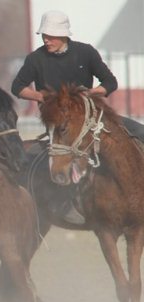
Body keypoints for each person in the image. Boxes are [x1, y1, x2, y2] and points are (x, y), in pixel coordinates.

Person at [11, 10, 144, 224]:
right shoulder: (36, 59)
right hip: (59, 125)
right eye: (44, 35)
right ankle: (65, 203)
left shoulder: (86, 53)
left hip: (92, 117)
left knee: (140, 132)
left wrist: (93, 93)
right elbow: (17, 87)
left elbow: (110, 82)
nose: (47, 40)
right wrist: (38, 96)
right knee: (56, 158)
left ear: (64, 35)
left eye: (51, 36)